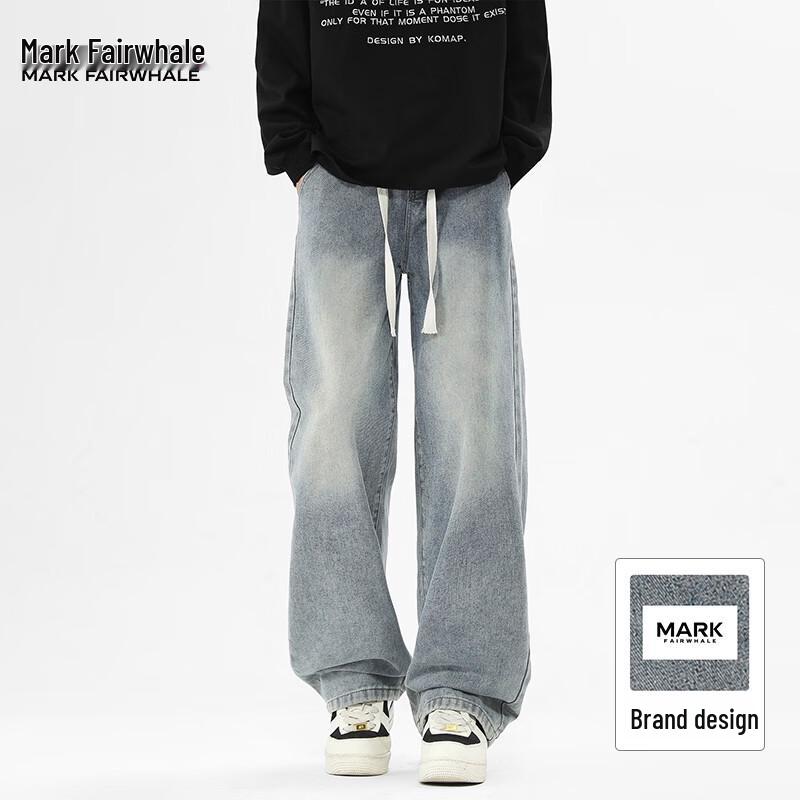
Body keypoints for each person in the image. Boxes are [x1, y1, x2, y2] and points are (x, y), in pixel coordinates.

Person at [255, 0, 551, 785]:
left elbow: (524, 25)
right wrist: (295, 151)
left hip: (469, 182)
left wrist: (509, 149)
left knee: (476, 431)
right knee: (334, 429)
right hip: (338, 180)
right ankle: (352, 681)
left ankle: (463, 690)